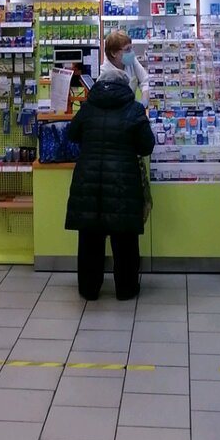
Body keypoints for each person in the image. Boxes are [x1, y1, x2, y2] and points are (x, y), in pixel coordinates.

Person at [65, 33, 155, 300]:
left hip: (88, 182)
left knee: (90, 239)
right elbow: (146, 146)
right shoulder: (133, 110)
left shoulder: (89, 106)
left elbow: (72, 134)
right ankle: (126, 289)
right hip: (122, 183)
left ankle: (89, 289)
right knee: (124, 240)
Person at [97, 29, 150, 106]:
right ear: (113, 53)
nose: (131, 52)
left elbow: (145, 81)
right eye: (127, 49)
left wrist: (144, 102)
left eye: (131, 48)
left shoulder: (132, 61)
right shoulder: (105, 73)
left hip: (131, 108)